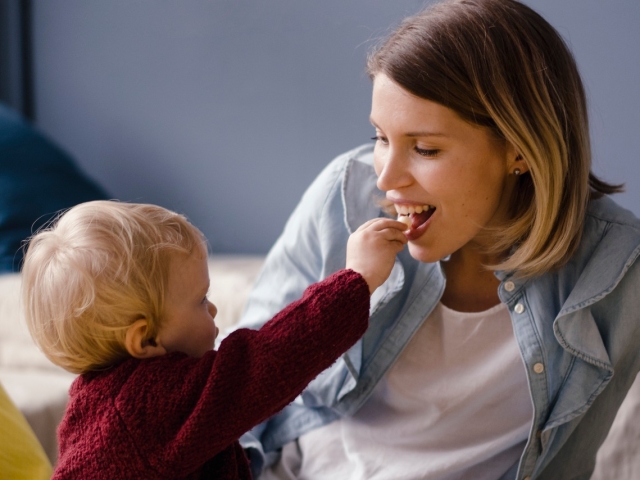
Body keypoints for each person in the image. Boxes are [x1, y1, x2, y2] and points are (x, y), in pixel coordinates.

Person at [234, 0, 640, 479]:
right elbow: (237, 386)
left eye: (425, 148)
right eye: (380, 138)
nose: (385, 178)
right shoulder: (346, 197)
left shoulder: (614, 267)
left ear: (519, 148)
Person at [20, 200, 408, 479]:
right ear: (145, 340)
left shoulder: (94, 401)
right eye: (200, 300)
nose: (214, 310)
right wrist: (357, 278)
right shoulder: (154, 404)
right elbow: (271, 359)